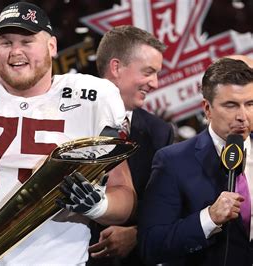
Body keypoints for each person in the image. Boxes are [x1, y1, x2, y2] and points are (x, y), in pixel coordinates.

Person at [0, 2, 136, 265]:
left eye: (27, 41)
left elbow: (124, 195)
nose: (15, 51)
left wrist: (97, 206)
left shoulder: (91, 99)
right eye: (6, 42)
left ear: (52, 46)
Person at [138, 58, 253, 265]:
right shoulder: (172, 162)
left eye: (250, 104)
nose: (243, 116)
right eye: (231, 105)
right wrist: (209, 218)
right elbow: (151, 245)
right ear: (207, 109)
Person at [87, 25, 174, 266]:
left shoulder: (159, 132)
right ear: (116, 67)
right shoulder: (66, 117)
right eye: (148, 72)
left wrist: (137, 233)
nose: (155, 83)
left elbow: (164, 203)